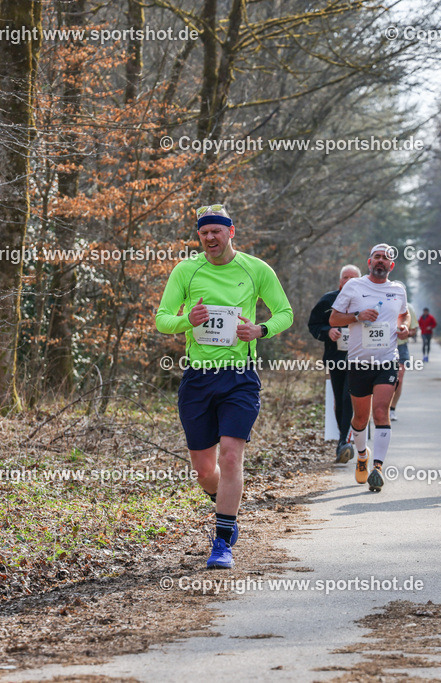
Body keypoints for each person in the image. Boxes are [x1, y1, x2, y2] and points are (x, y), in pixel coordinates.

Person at [156, 204, 293, 569]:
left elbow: (285, 312)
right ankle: (225, 504)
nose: (210, 238)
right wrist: (188, 320)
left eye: (216, 231)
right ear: (198, 236)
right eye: (203, 233)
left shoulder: (256, 269)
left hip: (239, 377)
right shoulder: (186, 270)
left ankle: (222, 540)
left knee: (231, 455)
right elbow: (162, 320)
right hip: (198, 378)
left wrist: (259, 330)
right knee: (204, 469)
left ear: (231, 232)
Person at [329, 244, 410, 492]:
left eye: (386, 258)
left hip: (387, 360)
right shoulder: (354, 286)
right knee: (361, 417)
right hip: (358, 362)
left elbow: (404, 316)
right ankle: (362, 455)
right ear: (369, 262)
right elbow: (334, 319)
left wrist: (404, 326)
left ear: (391, 265)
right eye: (377, 257)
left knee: (381, 412)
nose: (381, 261)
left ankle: (378, 467)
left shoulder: (398, 290)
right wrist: (357, 316)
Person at [308, 265, 362, 462]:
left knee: (350, 397)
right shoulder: (328, 300)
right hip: (336, 358)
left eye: (353, 278)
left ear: (360, 280)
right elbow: (313, 325)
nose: (348, 281)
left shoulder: (367, 299)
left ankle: (344, 441)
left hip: (362, 359)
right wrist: (327, 331)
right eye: (345, 277)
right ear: (340, 282)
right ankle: (343, 440)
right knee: (340, 400)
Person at [389, 302, 418, 421]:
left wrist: (405, 333)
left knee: (398, 379)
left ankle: (392, 409)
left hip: (401, 347)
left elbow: (413, 330)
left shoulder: (408, 307)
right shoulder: (382, 302)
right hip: (382, 348)